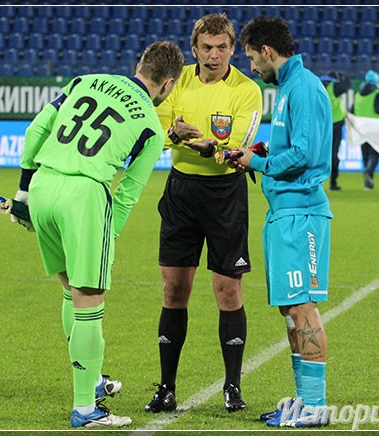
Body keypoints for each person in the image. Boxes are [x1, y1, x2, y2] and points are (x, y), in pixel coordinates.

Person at [12, 41, 185, 428]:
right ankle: (86, 409)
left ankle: (91, 380)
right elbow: (127, 193)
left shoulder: (84, 81)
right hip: (84, 197)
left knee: (69, 288)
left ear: (139, 65)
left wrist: (24, 189)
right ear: (168, 83)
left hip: (43, 186)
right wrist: (110, 233)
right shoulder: (151, 127)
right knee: (88, 297)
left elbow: (37, 127)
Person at [145, 13, 262, 413]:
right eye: (206, 48)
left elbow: (240, 147)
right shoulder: (178, 81)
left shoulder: (247, 91)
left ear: (233, 49)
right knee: (174, 290)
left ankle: (232, 387)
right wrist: (179, 136)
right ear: (193, 50)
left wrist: (203, 141)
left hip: (225, 194)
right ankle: (166, 388)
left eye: (222, 47)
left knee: (227, 291)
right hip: (181, 191)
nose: (214, 55)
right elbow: (158, 129)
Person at [232, 15, 333, 428]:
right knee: (291, 310)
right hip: (285, 213)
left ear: (269, 52)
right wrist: (264, 150)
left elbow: (306, 154)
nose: (253, 68)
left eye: (254, 59)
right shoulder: (291, 88)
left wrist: (258, 160)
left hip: (301, 213)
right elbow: (293, 146)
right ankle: (303, 401)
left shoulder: (303, 87)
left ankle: (315, 406)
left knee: (302, 307)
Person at [350, 69, 379, 190]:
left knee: (365, 154)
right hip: (375, 128)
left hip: (361, 129)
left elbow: (352, 110)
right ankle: (369, 172)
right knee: (374, 153)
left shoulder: (357, 95)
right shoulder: (377, 94)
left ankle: (368, 183)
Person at [320, 70, 351, 191]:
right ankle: (333, 182)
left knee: (317, 155)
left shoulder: (316, 85)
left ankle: (314, 182)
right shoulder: (334, 86)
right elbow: (348, 85)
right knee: (333, 154)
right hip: (336, 124)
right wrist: (344, 76)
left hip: (320, 125)